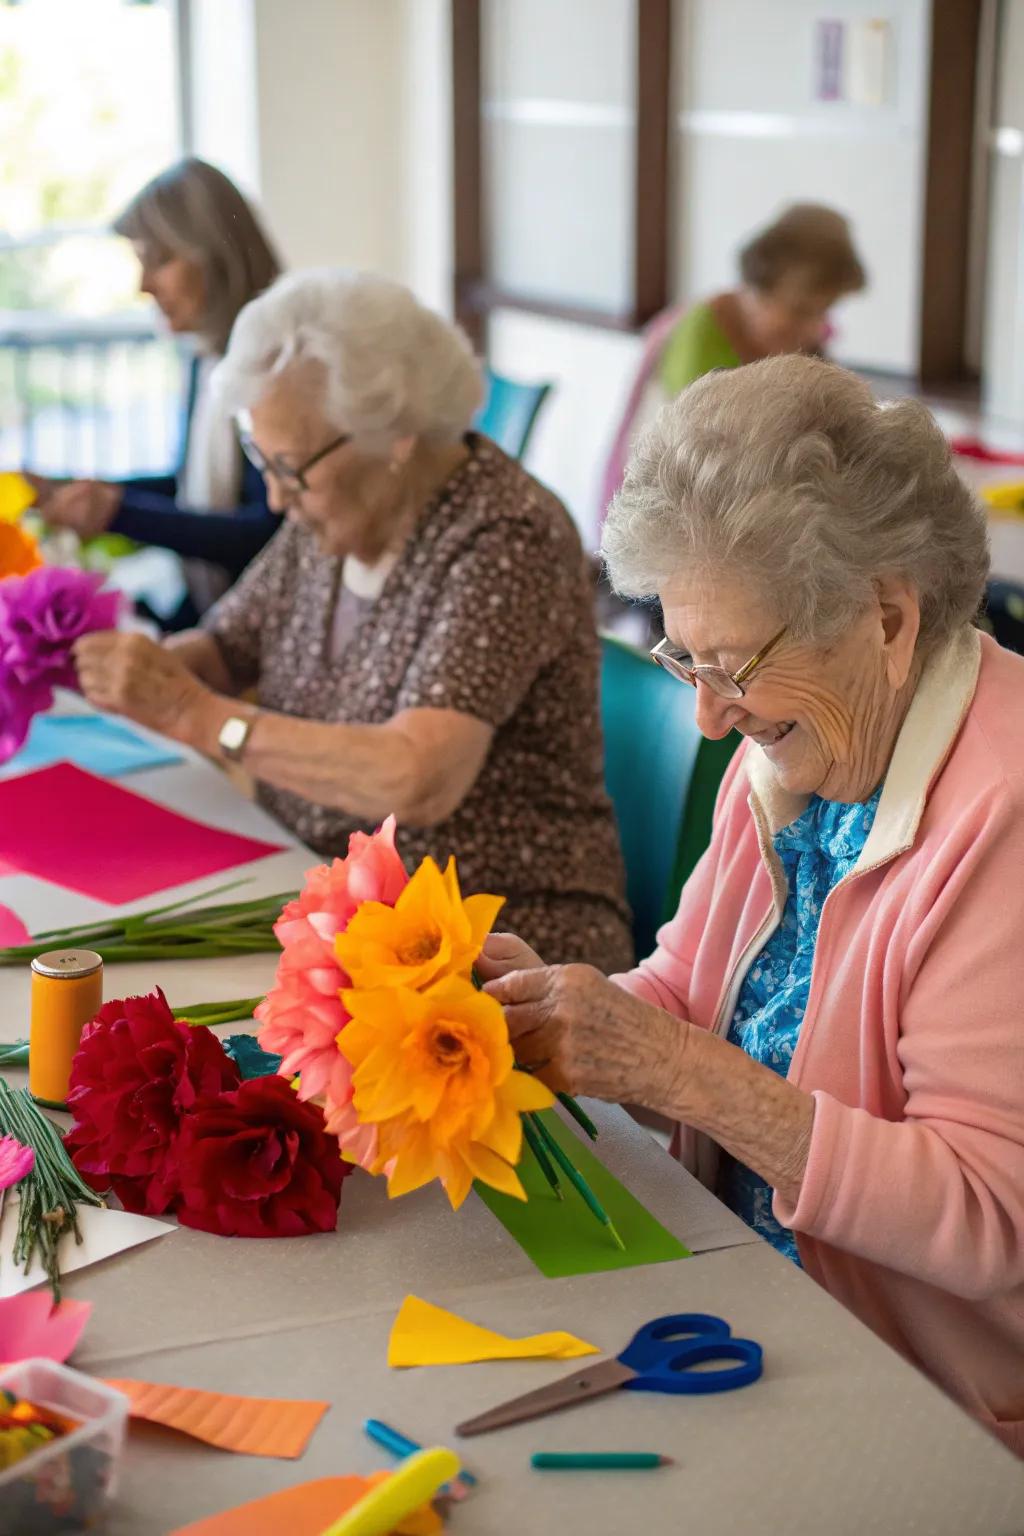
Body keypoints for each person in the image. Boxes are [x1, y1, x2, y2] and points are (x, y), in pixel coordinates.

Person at [480, 355, 1024, 1455]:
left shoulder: (1003, 814)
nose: (707, 716)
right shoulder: (795, 749)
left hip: (922, 1404)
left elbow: (984, 1218)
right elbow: (687, 990)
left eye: (729, 664)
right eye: (683, 658)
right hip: (736, 1290)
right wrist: (550, 1016)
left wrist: (677, 1072)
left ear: (885, 617)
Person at [73, 270, 633, 972]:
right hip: (329, 903)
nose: (275, 498)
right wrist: (129, 672)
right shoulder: (333, 516)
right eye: (260, 459)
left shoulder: (506, 536)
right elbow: (225, 650)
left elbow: (417, 776)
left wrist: (197, 715)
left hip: (490, 950)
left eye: (289, 468)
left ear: (393, 435)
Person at [34, 158, 283, 626]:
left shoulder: (274, 366)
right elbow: (193, 492)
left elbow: (267, 536)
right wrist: (71, 490)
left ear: (216, 256)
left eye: (160, 261)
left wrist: (119, 512)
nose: (143, 286)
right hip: (210, 617)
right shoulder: (206, 357)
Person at [598, 204, 866, 524]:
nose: (815, 328)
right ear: (756, 289)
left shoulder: (805, 339)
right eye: (801, 311)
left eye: (824, 311)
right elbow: (703, 469)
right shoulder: (699, 340)